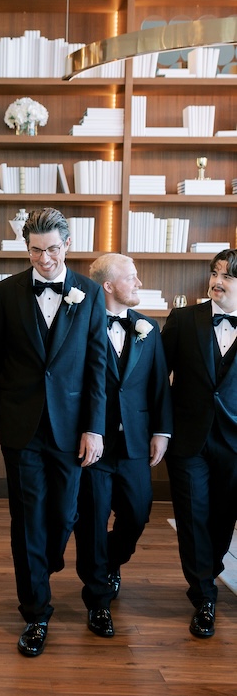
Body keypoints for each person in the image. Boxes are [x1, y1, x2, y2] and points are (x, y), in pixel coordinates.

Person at [0, 206, 106, 658]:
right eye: (35, 251)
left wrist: (94, 428)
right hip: (21, 426)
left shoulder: (90, 294)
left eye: (52, 250)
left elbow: (97, 367)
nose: (45, 260)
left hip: (73, 428)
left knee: (65, 515)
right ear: (26, 247)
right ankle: (35, 611)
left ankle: (48, 560)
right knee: (28, 517)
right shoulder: (7, 291)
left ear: (67, 245)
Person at [74, 253, 172, 638]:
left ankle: (110, 563)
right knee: (93, 523)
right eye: (131, 278)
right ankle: (97, 600)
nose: (138, 283)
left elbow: (159, 384)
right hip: (93, 444)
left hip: (134, 441)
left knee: (138, 514)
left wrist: (161, 432)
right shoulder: (79, 324)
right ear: (109, 285)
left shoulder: (147, 327)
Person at [161, 248, 237, 639]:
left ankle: (211, 569)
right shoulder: (184, 319)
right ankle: (204, 596)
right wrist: (159, 429)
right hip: (189, 440)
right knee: (192, 518)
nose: (217, 281)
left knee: (223, 519)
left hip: (235, 445)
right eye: (215, 272)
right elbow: (158, 379)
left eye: (226, 276)